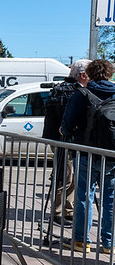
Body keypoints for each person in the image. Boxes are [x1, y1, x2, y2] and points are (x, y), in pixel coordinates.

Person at [61, 58, 115, 253]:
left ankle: (81, 241)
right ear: (110, 74)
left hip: (85, 153)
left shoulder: (82, 93)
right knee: (110, 198)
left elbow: (67, 125)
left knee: (84, 197)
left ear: (89, 74)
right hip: (111, 155)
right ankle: (109, 244)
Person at [42, 59, 90, 225]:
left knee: (68, 175)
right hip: (65, 139)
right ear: (83, 75)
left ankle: (67, 210)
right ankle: (58, 212)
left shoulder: (60, 87)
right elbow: (70, 118)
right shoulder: (75, 91)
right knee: (66, 175)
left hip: (59, 138)